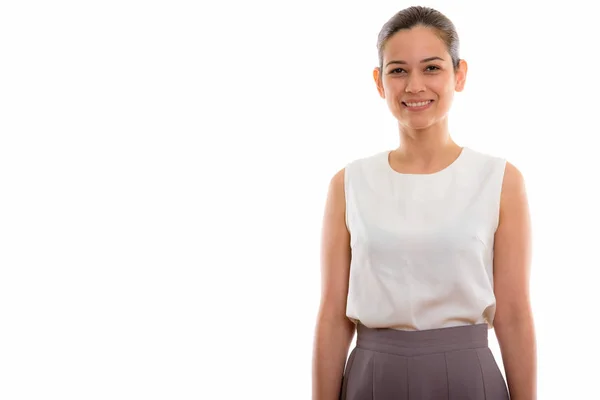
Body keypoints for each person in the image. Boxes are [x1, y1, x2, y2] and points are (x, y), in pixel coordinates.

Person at [311, 6, 537, 400]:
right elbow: (333, 315)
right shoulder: (348, 183)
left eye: (431, 68)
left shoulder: (500, 180)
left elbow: (514, 314)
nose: (414, 85)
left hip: (469, 378)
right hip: (372, 378)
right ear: (380, 82)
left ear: (459, 74)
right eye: (398, 70)